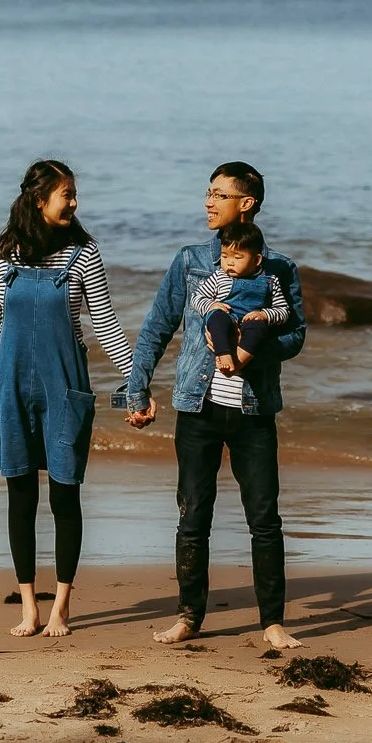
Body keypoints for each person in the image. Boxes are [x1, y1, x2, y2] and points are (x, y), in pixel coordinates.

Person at [120, 162, 307, 650]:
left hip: (254, 410)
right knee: (193, 514)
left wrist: (253, 339)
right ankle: (188, 616)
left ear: (247, 203)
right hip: (197, 407)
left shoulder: (279, 268)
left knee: (264, 517)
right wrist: (137, 390)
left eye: (219, 194)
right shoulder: (190, 261)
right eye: (208, 192)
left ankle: (272, 623)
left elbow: (297, 335)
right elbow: (157, 328)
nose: (208, 202)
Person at [0, 160, 133, 638]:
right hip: (11, 385)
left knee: (65, 493)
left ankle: (60, 605)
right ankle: (28, 606)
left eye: (75, 193)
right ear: (40, 200)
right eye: (67, 194)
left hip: (65, 387)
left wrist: (134, 384)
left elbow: (104, 324)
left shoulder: (83, 254)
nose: (75, 203)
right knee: (20, 494)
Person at [194, 220, 290, 377]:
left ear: (256, 260)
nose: (229, 263)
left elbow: (283, 311)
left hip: (249, 321)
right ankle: (224, 354)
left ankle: (238, 361)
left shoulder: (270, 280)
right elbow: (197, 297)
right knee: (217, 319)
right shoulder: (219, 276)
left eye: (237, 257)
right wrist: (211, 305)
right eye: (225, 256)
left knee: (258, 328)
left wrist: (264, 315)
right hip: (225, 317)